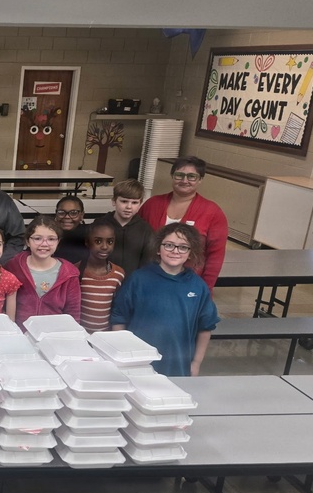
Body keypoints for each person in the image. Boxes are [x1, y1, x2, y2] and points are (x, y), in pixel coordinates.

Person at [112, 223, 220, 377]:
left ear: (190, 253)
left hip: (178, 364)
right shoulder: (138, 279)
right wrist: (123, 356)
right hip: (139, 362)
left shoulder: (198, 286)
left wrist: (196, 363)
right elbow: (119, 319)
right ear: (158, 248)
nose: (175, 251)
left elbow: (206, 327)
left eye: (183, 247)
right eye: (169, 245)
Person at [138, 156, 229, 290]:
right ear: (172, 176)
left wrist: (204, 288)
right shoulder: (152, 204)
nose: (185, 180)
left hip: (188, 284)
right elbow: (138, 240)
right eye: (179, 175)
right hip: (150, 280)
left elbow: (215, 256)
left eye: (191, 176)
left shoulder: (213, 212)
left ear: (200, 180)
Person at [5, 215, 81, 327]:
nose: (44, 244)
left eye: (51, 239)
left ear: (58, 241)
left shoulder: (69, 274)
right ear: (27, 241)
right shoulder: (13, 266)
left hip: (53, 337)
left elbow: (73, 314)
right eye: (37, 238)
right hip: (20, 336)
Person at [94, 178, 154, 277]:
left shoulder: (145, 229)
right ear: (114, 201)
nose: (129, 207)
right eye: (124, 201)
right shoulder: (99, 225)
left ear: (140, 204)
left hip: (131, 282)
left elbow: (147, 261)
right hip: (102, 281)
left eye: (134, 203)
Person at [77, 221, 125, 333]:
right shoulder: (76, 271)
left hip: (105, 336)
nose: (104, 247)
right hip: (80, 336)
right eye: (98, 241)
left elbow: (118, 309)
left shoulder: (118, 274)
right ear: (87, 242)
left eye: (110, 242)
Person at [53, 195, 89, 265]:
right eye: (61, 212)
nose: (67, 217)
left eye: (73, 213)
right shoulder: (49, 235)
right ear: (56, 214)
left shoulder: (89, 235)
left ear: (82, 215)